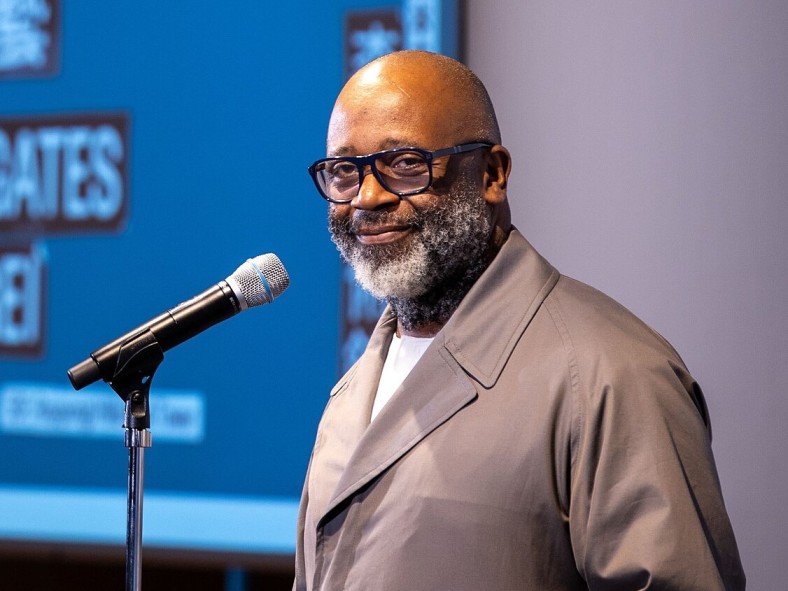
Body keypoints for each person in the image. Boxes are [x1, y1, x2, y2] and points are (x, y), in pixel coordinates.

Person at [295, 50, 745, 590]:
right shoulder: (352, 394)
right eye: (345, 171)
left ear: (492, 173)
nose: (367, 197)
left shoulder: (613, 376)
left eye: (406, 164)